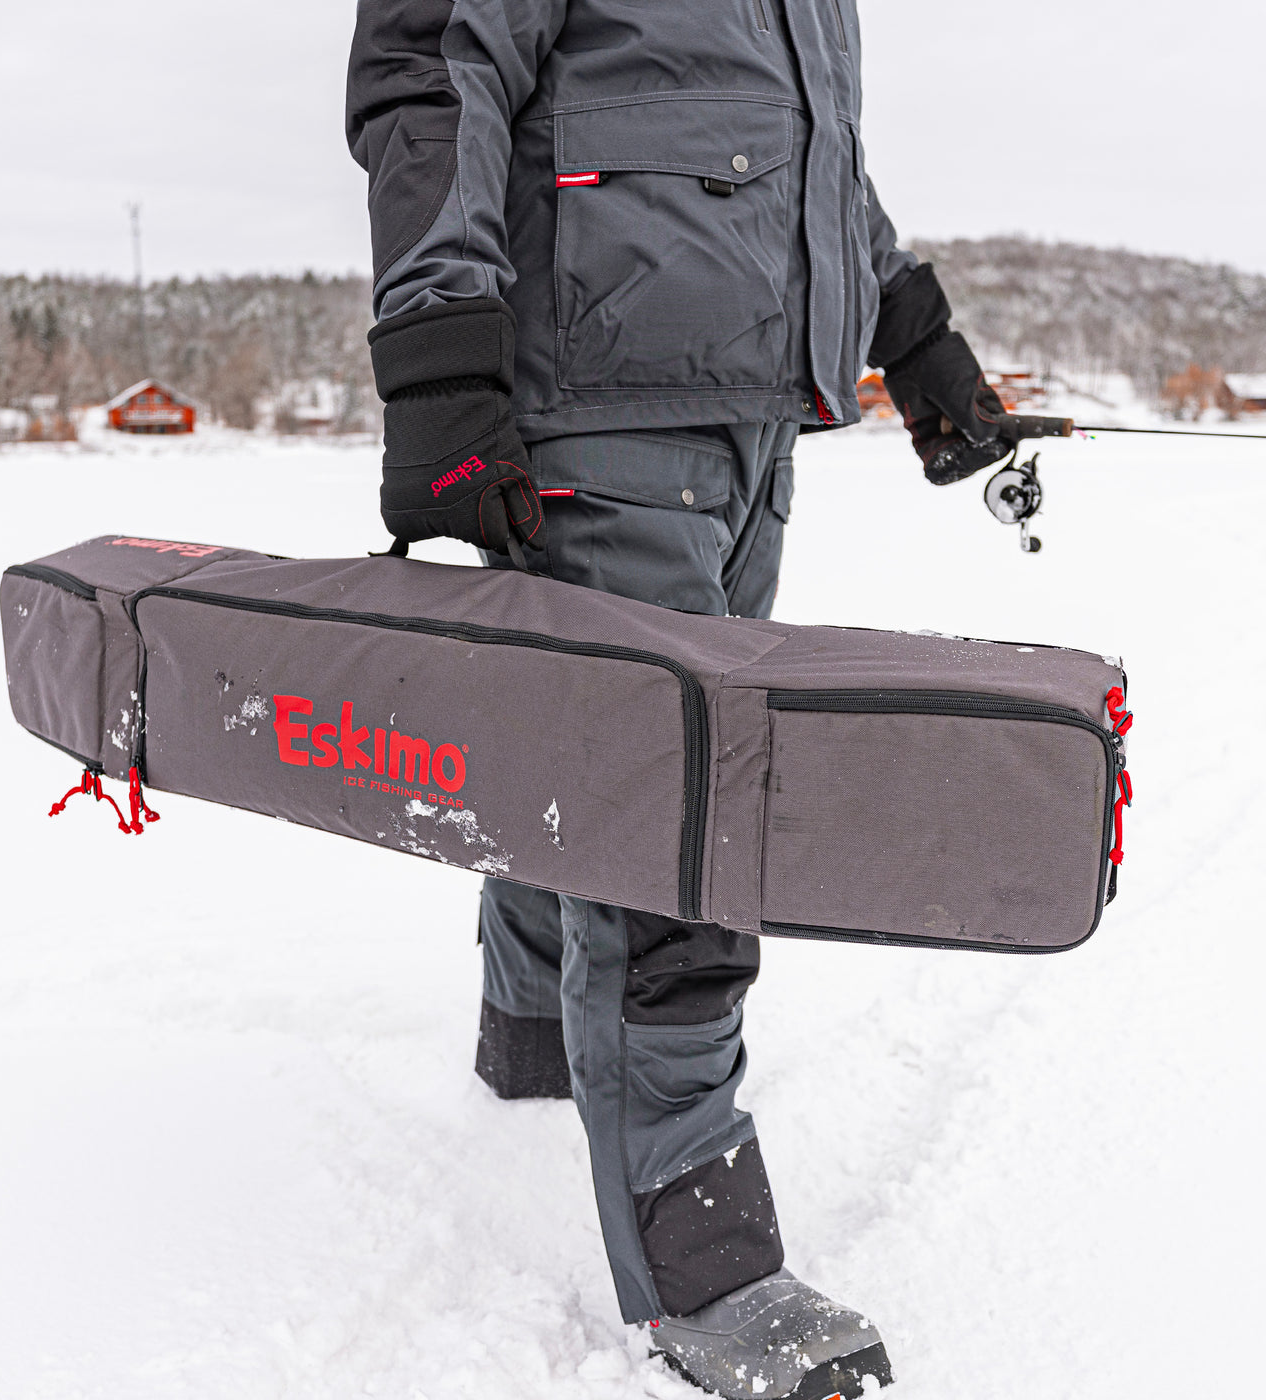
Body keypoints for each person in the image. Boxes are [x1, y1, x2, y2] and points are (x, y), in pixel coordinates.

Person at [347, 4, 1016, 1395]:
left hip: (751, 417)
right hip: (598, 401)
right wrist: (440, 352)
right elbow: (435, 62)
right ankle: (705, 1271)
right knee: (679, 830)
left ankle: (537, 1045)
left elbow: (807, 149)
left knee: (591, 767)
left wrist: (912, 332)